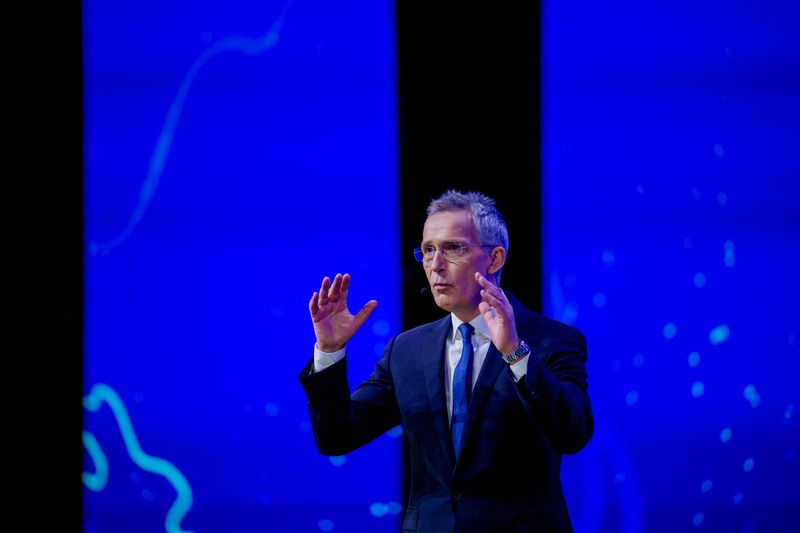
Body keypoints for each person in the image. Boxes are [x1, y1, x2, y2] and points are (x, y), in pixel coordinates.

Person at [299, 190, 593, 533]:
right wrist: (329, 351)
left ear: (495, 258)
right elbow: (336, 437)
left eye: (454, 248)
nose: (435, 265)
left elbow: (573, 434)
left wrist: (514, 350)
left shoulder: (551, 341)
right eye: (427, 250)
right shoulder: (407, 350)